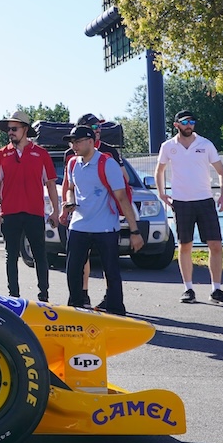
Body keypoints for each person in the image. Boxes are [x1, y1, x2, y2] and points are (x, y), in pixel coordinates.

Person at [58, 126, 144, 315]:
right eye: (72, 142)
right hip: (78, 225)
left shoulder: (107, 163)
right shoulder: (72, 163)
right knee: (73, 270)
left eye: (78, 141)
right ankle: (76, 307)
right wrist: (69, 201)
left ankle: (115, 309)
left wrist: (134, 231)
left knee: (111, 271)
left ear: (90, 141)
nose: (74, 145)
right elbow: (71, 187)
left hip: (105, 227)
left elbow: (122, 197)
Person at [156, 109, 223, 305]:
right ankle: (188, 289)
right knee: (184, 245)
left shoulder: (205, 144)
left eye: (192, 121)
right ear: (176, 125)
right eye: (184, 121)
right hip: (181, 202)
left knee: (215, 245)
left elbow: (222, 172)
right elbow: (160, 170)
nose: (189, 125)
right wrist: (162, 192)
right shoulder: (168, 146)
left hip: (205, 200)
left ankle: (216, 290)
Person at [0, 110, 58, 302]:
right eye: (8, 129)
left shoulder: (41, 154)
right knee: (11, 255)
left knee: (39, 254)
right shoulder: (1, 155)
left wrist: (55, 210)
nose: (10, 132)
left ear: (25, 130)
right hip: (10, 213)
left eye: (14, 129)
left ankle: (43, 295)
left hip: (34, 212)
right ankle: (13, 295)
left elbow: (51, 183)